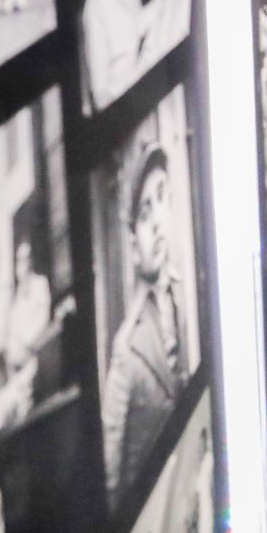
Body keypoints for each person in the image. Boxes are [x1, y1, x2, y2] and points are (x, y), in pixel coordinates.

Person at [101, 145, 190, 509]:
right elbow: (111, 474)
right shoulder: (127, 348)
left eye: (162, 198)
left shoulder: (182, 292)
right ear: (133, 244)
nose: (156, 221)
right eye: (143, 211)